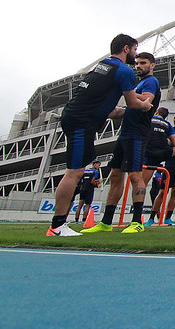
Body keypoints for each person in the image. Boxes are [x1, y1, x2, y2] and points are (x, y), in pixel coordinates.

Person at [46, 34, 152, 237]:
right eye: (135, 50)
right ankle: (57, 226)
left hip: (76, 117)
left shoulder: (102, 66)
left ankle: (59, 224)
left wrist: (123, 111)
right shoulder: (124, 71)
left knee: (76, 171)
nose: (135, 54)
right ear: (126, 48)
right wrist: (146, 105)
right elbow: (133, 103)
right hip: (81, 122)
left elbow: (109, 107)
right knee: (74, 172)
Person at [83, 52, 160, 234]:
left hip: (137, 134)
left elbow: (146, 100)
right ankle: (106, 222)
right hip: (125, 133)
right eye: (137, 63)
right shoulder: (137, 85)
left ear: (152, 65)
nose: (138, 66)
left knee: (135, 175)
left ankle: (137, 221)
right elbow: (125, 110)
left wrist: (126, 91)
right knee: (116, 175)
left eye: (143, 63)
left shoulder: (151, 82)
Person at [142, 108, 175, 226]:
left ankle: (168, 218)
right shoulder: (169, 130)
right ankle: (152, 218)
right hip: (169, 166)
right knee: (162, 192)